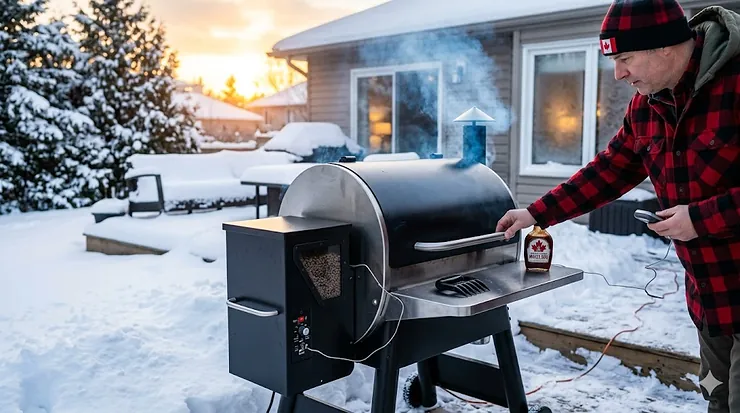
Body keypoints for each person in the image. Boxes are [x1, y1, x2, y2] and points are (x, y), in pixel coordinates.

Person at [495, 0, 740, 411]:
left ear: (664, 46)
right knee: (718, 401)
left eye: (625, 58)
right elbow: (607, 171)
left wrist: (701, 218)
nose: (618, 73)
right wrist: (536, 213)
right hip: (712, 300)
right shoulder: (646, 106)